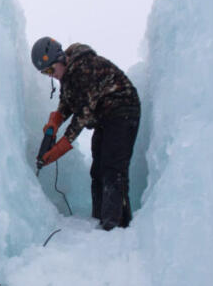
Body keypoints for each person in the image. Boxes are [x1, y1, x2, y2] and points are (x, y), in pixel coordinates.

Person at [31, 37, 140, 230]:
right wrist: (54, 122)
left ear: (60, 58)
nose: (51, 75)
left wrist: (60, 148)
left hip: (123, 109)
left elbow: (83, 114)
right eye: (45, 73)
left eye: (50, 69)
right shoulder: (68, 77)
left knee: (113, 169)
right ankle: (100, 219)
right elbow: (67, 103)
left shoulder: (84, 68)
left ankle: (115, 226)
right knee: (97, 170)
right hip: (104, 117)